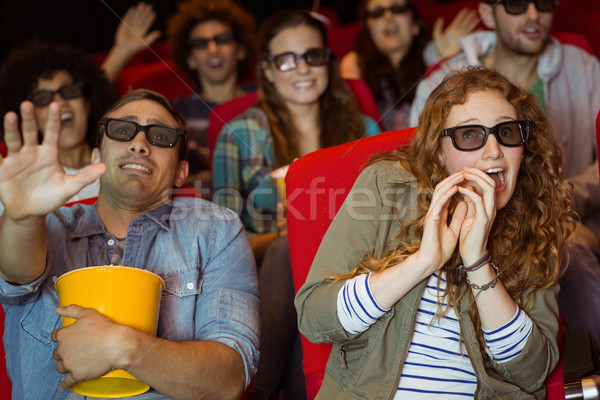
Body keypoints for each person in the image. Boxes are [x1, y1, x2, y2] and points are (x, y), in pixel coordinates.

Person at [295, 66, 575, 398]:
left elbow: (531, 373)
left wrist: (477, 263)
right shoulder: (388, 187)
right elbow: (315, 318)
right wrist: (423, 262)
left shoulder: (534, 220)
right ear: (440, 153)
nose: (494, 150)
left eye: (507, 132)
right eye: (470, 135)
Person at [0, 89, 259, 399]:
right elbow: (17, 271)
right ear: (96, 157)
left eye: (160, 136)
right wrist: (22, 218)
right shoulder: (47, 226)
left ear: (181, 171)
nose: (139, 144)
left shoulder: (217, 230)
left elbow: (228, 379)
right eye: (123, 131)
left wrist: (122, 346)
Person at [409, 0, 600, 362]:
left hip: (568, 219)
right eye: (515, 4)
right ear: (487, 12)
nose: (532, 14)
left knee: (571, 253)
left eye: (543, 3)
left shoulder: (585, 69)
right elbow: (418, 164)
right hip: (467, 221)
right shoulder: (440, 82)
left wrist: (563, 206)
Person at [212, 10, 381, 399]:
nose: (302, 69)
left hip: (358, 273)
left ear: (328, 61)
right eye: (286, 59)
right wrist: (288, 237)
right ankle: (264, 390)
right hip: (272, 273)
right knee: (291, 252)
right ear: (268, 70)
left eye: (313, 56)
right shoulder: (239, 134)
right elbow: (226, 241)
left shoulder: (365, 129)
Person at [0, 40, 118, 212]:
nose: (59, 103)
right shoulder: (20, 183)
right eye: (42, 98)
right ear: (29, 116)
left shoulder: (123, 163)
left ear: (87, 104)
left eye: (69, 91)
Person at [340, 0, 479, 130]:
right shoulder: (356, 68)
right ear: (368, 31)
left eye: (398, 9)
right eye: (377, 13)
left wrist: (446, 59)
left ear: (415, 26)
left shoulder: (434, 55)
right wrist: (353, 82)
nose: (388, 16)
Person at [168, 0, 258, 194]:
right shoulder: (176, 114)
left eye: (223, 40)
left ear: (241, 50)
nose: (212, 50)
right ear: (190, 59)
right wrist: (121, 52)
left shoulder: (266, 100)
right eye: (200, 44)